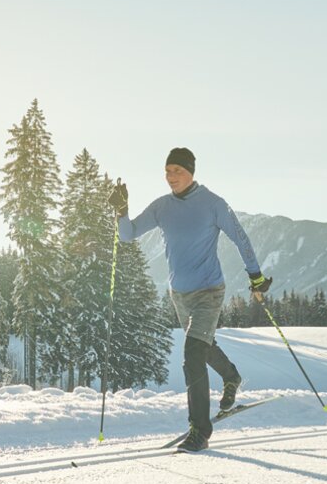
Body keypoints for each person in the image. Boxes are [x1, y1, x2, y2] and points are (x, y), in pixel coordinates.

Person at [112, 147, 272, 452]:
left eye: (178, 171)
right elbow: (128, 235)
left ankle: (200, 431)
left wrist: (256, 277)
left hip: (209, 291)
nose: (171, 177)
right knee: (203, 344)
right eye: (168, 171)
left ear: (191, 172)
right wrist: (121, 210)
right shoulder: (162, 207)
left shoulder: (213, 204)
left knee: (193, 354)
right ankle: (232, 376)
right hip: (179, 294)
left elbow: (240, 237)